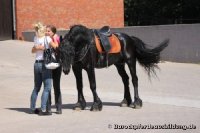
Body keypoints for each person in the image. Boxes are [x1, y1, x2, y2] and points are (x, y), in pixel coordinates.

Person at [30, 22, 58, 115]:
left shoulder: (35, 38)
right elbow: (55, 46)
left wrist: (38, 47)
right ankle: (43, 109)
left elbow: (32, 50)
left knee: (36, 88)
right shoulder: (47, 38)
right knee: (47, 88)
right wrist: (55, 39)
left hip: (36, 64)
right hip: (45, 65)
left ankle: (32, 109)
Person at [46, 25, 62, 114]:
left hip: (57, 65)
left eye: (49, 31)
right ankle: (48, 107)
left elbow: (59, 48)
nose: (47, 32)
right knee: (48, 86)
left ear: (53, 32)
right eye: (46, 31)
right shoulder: (46, 39)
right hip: (48, 64)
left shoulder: (58, 39)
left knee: (56, 86)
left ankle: (58, 107)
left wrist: (55, 39)